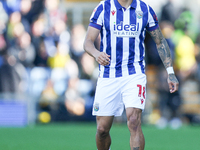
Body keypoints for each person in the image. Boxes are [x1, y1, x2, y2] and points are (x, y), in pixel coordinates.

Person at [83, 0, 179, 150]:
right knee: (102, 129)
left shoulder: (145, 9)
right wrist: (96, 54)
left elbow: (160, 42)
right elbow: (88, 41)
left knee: (134, 120)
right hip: (109, 74)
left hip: (134, 74)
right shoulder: (103, 7)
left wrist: (170, 72)